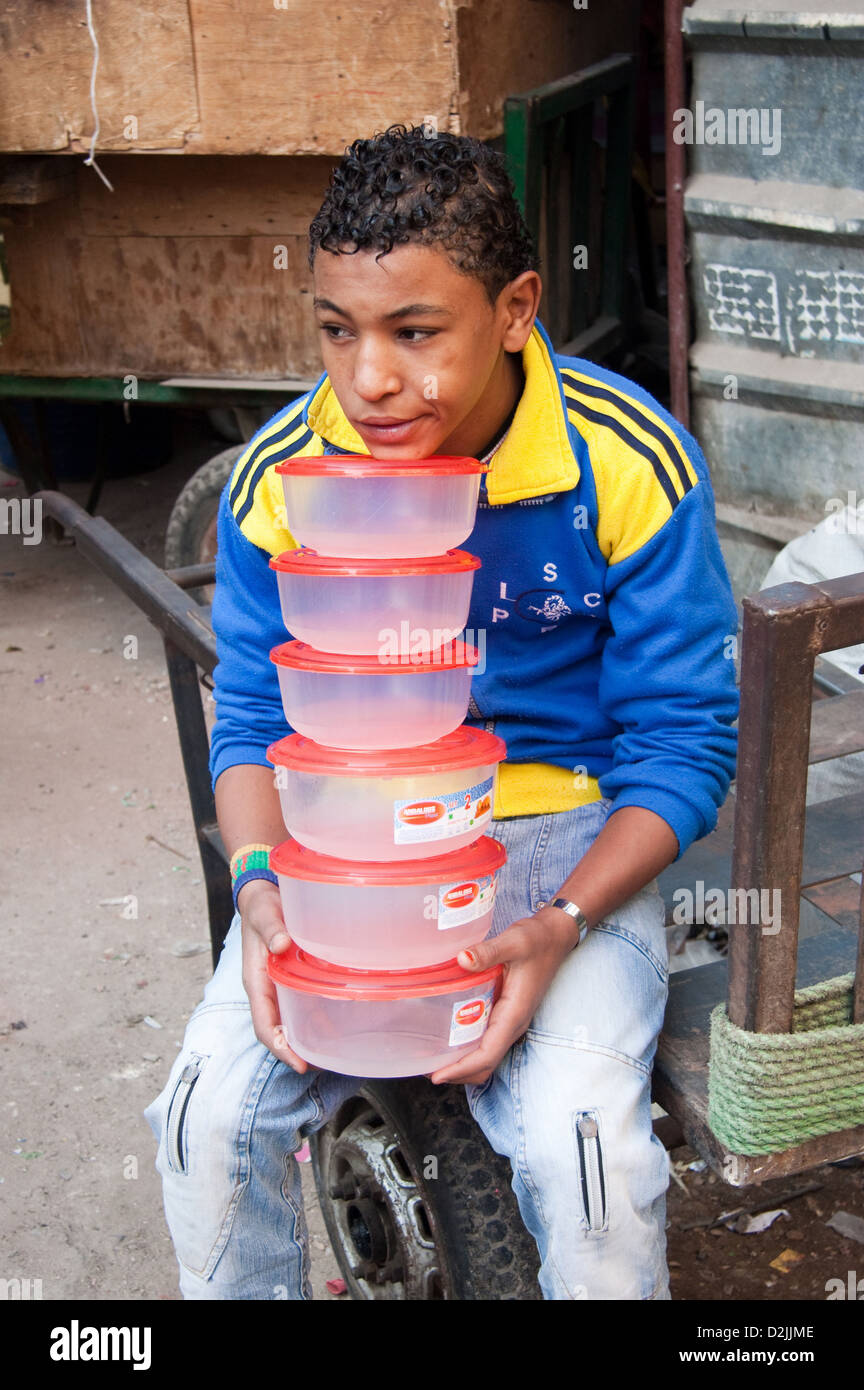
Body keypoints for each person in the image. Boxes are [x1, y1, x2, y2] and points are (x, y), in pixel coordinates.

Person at [144, 123, 739, 1300]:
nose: (367, 381)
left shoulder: (627, 462)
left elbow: (682, 741)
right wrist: (262, 887)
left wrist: (563, 918)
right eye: (336, 329)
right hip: (335, 853)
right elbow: (254, 720)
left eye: (415, 332)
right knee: (200, 1121)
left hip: (566, 840)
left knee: (589, 1156)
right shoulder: (280, 479)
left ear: (517, 307)